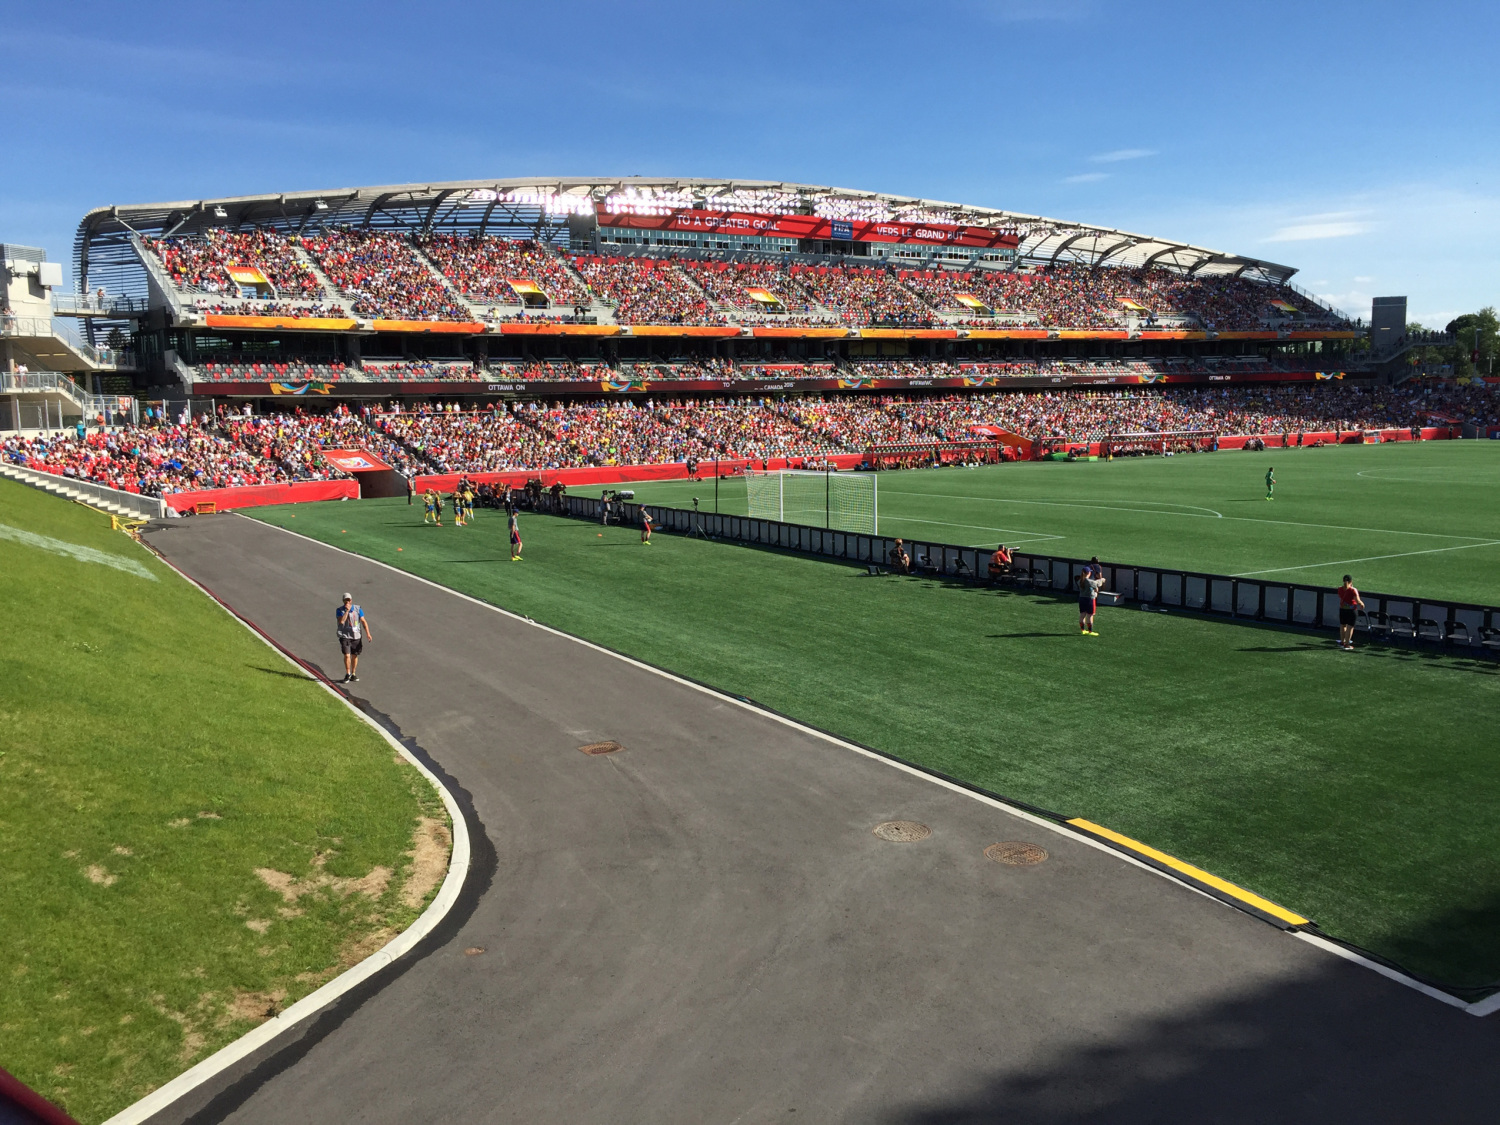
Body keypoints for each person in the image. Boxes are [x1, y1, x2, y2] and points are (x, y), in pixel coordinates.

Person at [335, 593, 372, 683]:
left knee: (354, 655)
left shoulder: (358, 609)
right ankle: (347, 673)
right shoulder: (340, 610)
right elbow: (341, 621)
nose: (347, 601)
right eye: (345, 600)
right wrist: (347, 611)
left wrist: (368, 633)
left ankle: (353, 673)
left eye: (349, 600)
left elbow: (363, 621)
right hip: (345, 636)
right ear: (343, 601)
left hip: (356, 636)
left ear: (351, 600)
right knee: (347, 655)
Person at [1077, 559, 1106, 635]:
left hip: (1081, 599)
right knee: (1090, 615)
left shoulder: (1079, 581)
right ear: (1088, 573)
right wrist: (1102, 580)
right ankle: (1090, 631)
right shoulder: (1089, 582)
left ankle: (1082, 630)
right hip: (1089, 599)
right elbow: (1097, 584)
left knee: (1082, 614)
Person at [1336, 574, 1365, 651]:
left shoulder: (1339, 589)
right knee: (1350, 627)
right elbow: (1357, 600)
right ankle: (1347, 644)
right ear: (1351, 581)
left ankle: (1342, 642)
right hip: (1351, 611)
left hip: (1342, 609)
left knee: (1343, 625)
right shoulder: (1353, 590)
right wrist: (1362, 604)